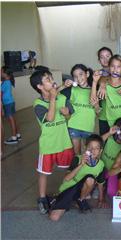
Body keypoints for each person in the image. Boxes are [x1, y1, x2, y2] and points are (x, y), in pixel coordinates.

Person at [30, 69, 74, 214]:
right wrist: (54, 98)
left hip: (64, 143)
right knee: (44, 173)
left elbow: (68, 117)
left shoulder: (62, 97)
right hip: (48, 145)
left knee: (68, 169)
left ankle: (65, 193)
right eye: (47, 79)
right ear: (40, 87)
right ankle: (42, 199)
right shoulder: (38, 103)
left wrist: (67, 114)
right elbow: (49, 118)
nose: (51, 80)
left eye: (51, 77)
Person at [48, 134, 107, 221]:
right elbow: (66, 179)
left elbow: (100, 183)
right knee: (54, 218)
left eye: (96, 148)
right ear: (85, 148)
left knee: (90, 179)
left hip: (82, 190)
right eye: (90, 147)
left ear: (100, 151)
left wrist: (101, 199)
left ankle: (80, 199)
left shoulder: (101, 165)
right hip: (69, 188)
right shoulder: (77, 159)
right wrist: (81, 165)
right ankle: (61, 200)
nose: (93, 150)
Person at [61, 64, 100, 155]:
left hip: (88, 128)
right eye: (75, 76)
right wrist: (63, 85)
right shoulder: (72, 89)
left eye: (81, 74)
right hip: (73, 126)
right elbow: (54, 94)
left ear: (87, 74)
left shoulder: (95, 90)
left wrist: (96, 106)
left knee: (89, 154)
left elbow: (98, 113)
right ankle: (77, 168)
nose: (78, 78)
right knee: (77, 154)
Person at [91, 55, 121, 127]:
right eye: (112, 66)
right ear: (108, 67)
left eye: (118, 67)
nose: (115, 70)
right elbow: (93, 101)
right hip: (112, 123)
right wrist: (95, 82)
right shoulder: (104, 85)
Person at [100, 118, 121, 199]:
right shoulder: (109, 138)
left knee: (112, 193)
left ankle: (104, 184)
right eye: (119, 129)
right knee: (98, 177)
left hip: (113, 171)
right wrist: (109, 133)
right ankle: (99, 185)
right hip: (102, 168)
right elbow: (97, 142)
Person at [1, 66, 21, 144]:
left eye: (1, 71)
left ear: (5, 74)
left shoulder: (5, 82)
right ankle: (17, 135)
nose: (0, 72)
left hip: (7, 103)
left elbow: (1, 93)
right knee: (13, 119)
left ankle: (14, 137)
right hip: (11, 102)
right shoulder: (7, 81)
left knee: (11, 120)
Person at [97, 47, 113, 135]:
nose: (105, 59)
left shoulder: (119, 71)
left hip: (117, 112)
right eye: (102, 57)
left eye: (108, 56)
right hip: (104, 114)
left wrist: (103, 82)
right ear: (99, 60)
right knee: (104, 140)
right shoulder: (97, 74)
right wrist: (101, 82)